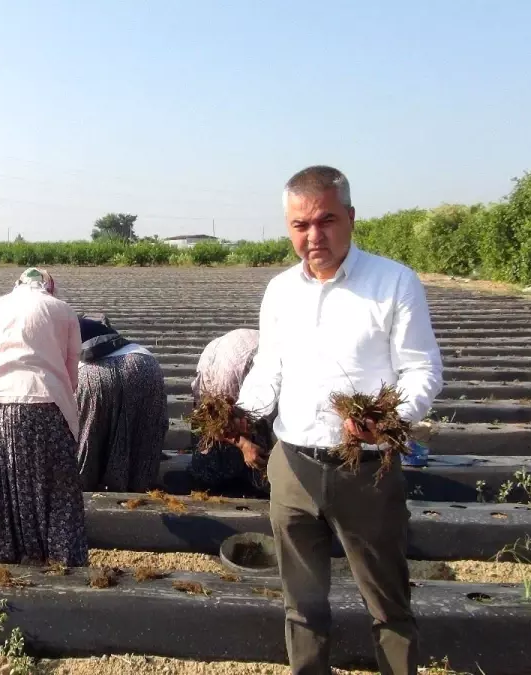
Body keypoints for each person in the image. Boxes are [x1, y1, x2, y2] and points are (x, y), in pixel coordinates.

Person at [234, 166, 443, 675]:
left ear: (350, 216)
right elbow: (269, 367)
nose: (313, 236)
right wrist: (243, 414)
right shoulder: (281, 291)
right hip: (292, 466)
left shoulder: (393, 283)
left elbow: (422, 369)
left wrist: (388, 417)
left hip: (365, 470)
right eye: (299, 225)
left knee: (388, 603)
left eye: (325, 221)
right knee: (301, 603)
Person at [0, 268, 88, 566]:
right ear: (49, 288)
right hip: (39, 401)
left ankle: (0, 570)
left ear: (16, 285)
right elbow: (71, 374)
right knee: (56, 496)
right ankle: (63, 568)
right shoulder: (61, 309)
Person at [75, 314, 168, 492]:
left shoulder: (68, 328)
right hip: (145, 366)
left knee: (89, 434)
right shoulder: (125, 343)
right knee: (144, 433)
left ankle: (86, 490)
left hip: (92, 373)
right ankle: (138, 489)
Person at [187, 328, 267, 492]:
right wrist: (244, 445)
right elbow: (214, 421)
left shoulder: (277, 364)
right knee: (213, 464)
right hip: (220, 367)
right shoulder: (226, 377)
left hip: (241, 351)